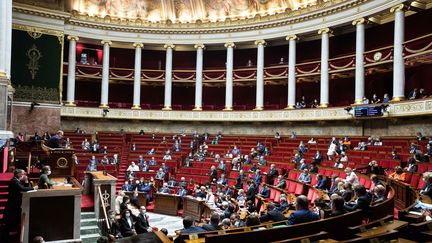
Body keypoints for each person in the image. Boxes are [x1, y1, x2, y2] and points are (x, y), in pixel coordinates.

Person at [2, 169, 34, 240]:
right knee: (10, 221)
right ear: (19, 174)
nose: (24, 175)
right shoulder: (14, 181)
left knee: (15, 220)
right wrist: (33, 188)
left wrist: (26, 181)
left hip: (15, 204)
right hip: (12, 204)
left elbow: (24, 188)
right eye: (23, 173)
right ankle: (5, 236)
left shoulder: (17, 181)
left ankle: (12, 234)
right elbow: (22, 188)